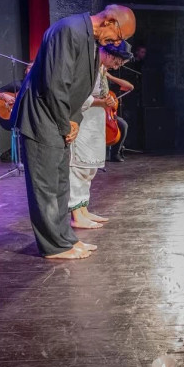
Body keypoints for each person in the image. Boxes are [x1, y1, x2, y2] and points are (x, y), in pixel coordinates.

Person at [11, 4, 136, 260]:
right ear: (110, 21)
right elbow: (56, 83)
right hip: (41, 117)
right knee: (45, 185)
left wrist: (74, 118)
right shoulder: (68, 30)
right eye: (119, 36)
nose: (117, 42)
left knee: (60, 183)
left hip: (59, 118)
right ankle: (53, 246)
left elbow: (82, 87)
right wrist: (65, 122)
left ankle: (65, 238)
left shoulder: (88, 38)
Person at [69, 42, 133, 229]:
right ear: (107, 53)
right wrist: (99, 102)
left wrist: (108, 101)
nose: (118, 65)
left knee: (89, 169)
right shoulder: (86, 67)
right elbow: (76, 96)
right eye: (118, 60)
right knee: (78, 168)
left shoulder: (101, 70)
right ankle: (75, 214)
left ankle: (83, 209)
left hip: (96, 122)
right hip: (82, 120)